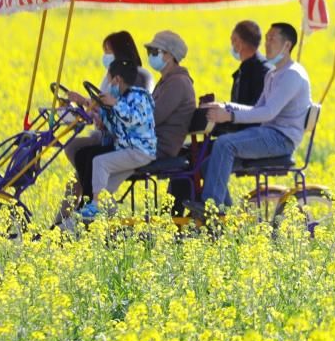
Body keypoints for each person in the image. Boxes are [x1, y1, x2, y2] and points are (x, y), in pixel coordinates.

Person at [186, 22, 311, 214]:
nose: (266, 44)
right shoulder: (273, 74)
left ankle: (210, 208)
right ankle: (225, 218)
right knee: (207, 166)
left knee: (225, 144)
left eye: (272, 39)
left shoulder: (292, 75)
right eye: (267, 38)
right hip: (267, 133)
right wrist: (225, 106)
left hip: (281, 138)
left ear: (287, 46)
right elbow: (257, 108)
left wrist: (230, 115)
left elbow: (268, 113)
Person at [77, 60, 158, 219]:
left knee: (99, 162)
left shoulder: (139, 97)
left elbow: (134, 119)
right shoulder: (120, 99)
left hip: (140, 151)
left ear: (117, 80)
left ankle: (94, 207)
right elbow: (117, 125)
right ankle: (106, 218)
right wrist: (101, 118)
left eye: (109, 78)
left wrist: (114, 103)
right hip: (126, 151)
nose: (108, 83)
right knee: (104, 189)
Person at [144, 30, 197, 162]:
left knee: (98, 157)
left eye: (155, 52)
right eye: (149, 51)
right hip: (149, 143)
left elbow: (154, 117)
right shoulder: (166, 81)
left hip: (159, 148)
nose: (151, 56)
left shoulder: (177, 83)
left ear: (170, 56)